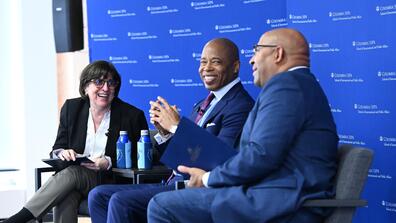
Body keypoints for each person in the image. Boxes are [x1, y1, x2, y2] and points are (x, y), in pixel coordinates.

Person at [147, 28, 339, 223]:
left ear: (278, 54)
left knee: (161, 206)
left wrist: (207, 178)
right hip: (273, 195)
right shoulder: (301, 85)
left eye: (257, 51)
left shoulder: (287, 86)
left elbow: (261, 154)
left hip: (282, 203)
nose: (252, 60)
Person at [88, 38, 255, 223]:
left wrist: (176, 127)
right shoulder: (204, 104)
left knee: (121, 201)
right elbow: (180, 156)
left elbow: (218, 161)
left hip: (198, 189)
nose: (206, 68)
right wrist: (165, 133)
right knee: (98, 196)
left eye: (215, 62)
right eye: (203, 62)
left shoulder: (240, 106)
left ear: (235, 66)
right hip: (172, 181)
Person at [3, 60, 148, 223]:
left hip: (110, 180)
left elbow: (140, 157)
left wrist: (107, 162)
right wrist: (63, 153)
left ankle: (18, 220)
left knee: (72, 173)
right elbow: (58, 147)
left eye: (111, 83)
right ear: (86, 87)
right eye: (99, 82)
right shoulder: (72, 109)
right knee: (66, 194)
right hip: (75, 182)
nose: (106, 88)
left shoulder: (132, 115)